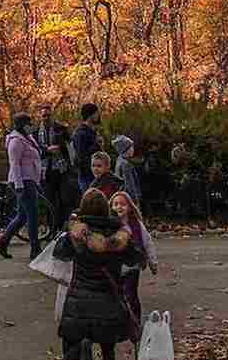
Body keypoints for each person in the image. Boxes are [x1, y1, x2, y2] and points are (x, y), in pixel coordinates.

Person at [53, 189, 140, 360]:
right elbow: (135, 259)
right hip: (108, 301)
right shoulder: (120, 236)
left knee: (72, 349)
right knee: (108, 350)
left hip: (78, 304)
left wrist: (71, 225)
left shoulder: (76, 234)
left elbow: (60, 253)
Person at [0, 113, 44, 261]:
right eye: (29, 123)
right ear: (22, 125)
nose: (31, 125)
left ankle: (3, 242)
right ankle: (35, 248)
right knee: (32, 215)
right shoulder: (15, 141)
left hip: (30, 180)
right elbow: (14, 165)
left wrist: (38, 180)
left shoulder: (28, 138)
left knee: (22, 216)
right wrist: (19, 186)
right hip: (22, 181)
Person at [109, 191, 158, 326]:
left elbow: (147, 242)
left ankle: (135, 321)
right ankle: (119, 321)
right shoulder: (109, 224)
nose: (119, 207)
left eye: (123, 204)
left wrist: (153, 263)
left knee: (131, 294)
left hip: (132, 266)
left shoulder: (136, 224)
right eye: (116, 204)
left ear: (130, 207)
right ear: (111, 206)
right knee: (116, 295)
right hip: (115, 267)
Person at [36, 107, 72, 232]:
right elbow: (35, 150)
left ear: (52, 115)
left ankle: (63, 226)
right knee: (49, 200)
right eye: (44, 116)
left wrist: (61, 148)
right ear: (40, 117)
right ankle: (52, 228)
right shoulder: (35, 132)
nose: (46, 118)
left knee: (64, 198)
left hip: (61, 168)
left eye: (48, 115)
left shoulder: (61, 128)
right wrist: (47, 150)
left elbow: (70, 145)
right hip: (45, 170)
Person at [73, 103, 103, 193]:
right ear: (90, 115)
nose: (98, 116)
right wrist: (96, 144)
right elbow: (81, 156)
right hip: (87, 175)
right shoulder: (81, 133)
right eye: (96, 113)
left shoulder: (92, 131)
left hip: (96, 173)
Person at [111, 136, 143, 210]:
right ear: (125, 149)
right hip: (128, 198)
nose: (133, 150)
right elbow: (130, 184)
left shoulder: (119, 160)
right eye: (131, 147)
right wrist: (135, 200)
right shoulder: (126, 165)